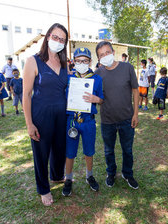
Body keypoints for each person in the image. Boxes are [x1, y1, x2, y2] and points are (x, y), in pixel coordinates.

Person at [22, 23, 68, 206]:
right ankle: (43, 188)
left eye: (62, 40)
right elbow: (26, 94)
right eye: (55, 37)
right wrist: (29, 124)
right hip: (41, 115)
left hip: (62, 115)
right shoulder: (33, 61)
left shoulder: (65, 62)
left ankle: (57, 175)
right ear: (48, 37)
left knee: (59, 149)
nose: (58, 41)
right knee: (41, 153)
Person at [95, 41, 139, 190]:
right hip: (107, 121)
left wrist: (135, 114)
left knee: (128, 149)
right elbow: (93, 94)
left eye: (107, 52)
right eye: (101, 55)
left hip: (127, 118)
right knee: (108, 150)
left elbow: (135, 90)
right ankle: (111, 173)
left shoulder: (127, 68)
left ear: (113, 52)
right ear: (99, 59)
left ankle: (128, 173)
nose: (105, 56)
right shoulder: (98, 74)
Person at [62, 47, 104, 197]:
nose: (82, 63)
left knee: (89, 150)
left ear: (90, 61)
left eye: (85, 61)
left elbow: (102, 99)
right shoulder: (68, 78)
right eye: (79, 61)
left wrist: (97, 99)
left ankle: (89, 175)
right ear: (74, 62)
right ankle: (68, 178)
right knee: (70, 152)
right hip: (72, 121)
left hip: (88, 121)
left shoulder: (96, 79)